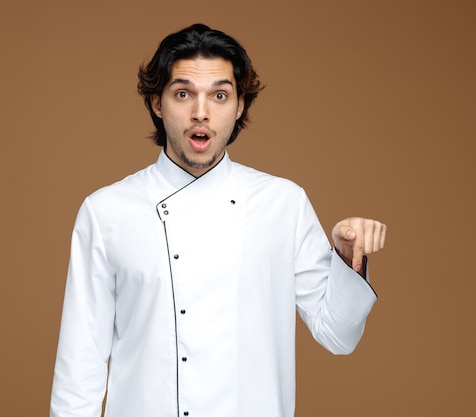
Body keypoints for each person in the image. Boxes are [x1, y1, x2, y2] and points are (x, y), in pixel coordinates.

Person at [50, 23, 387, 417]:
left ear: (240, 105)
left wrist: (349, 261)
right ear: (157, 103)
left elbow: (338, 335)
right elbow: (81, 365)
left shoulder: (283, 204)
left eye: (220, 95)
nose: (201, 113)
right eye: (182, 94)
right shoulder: (106, 211)